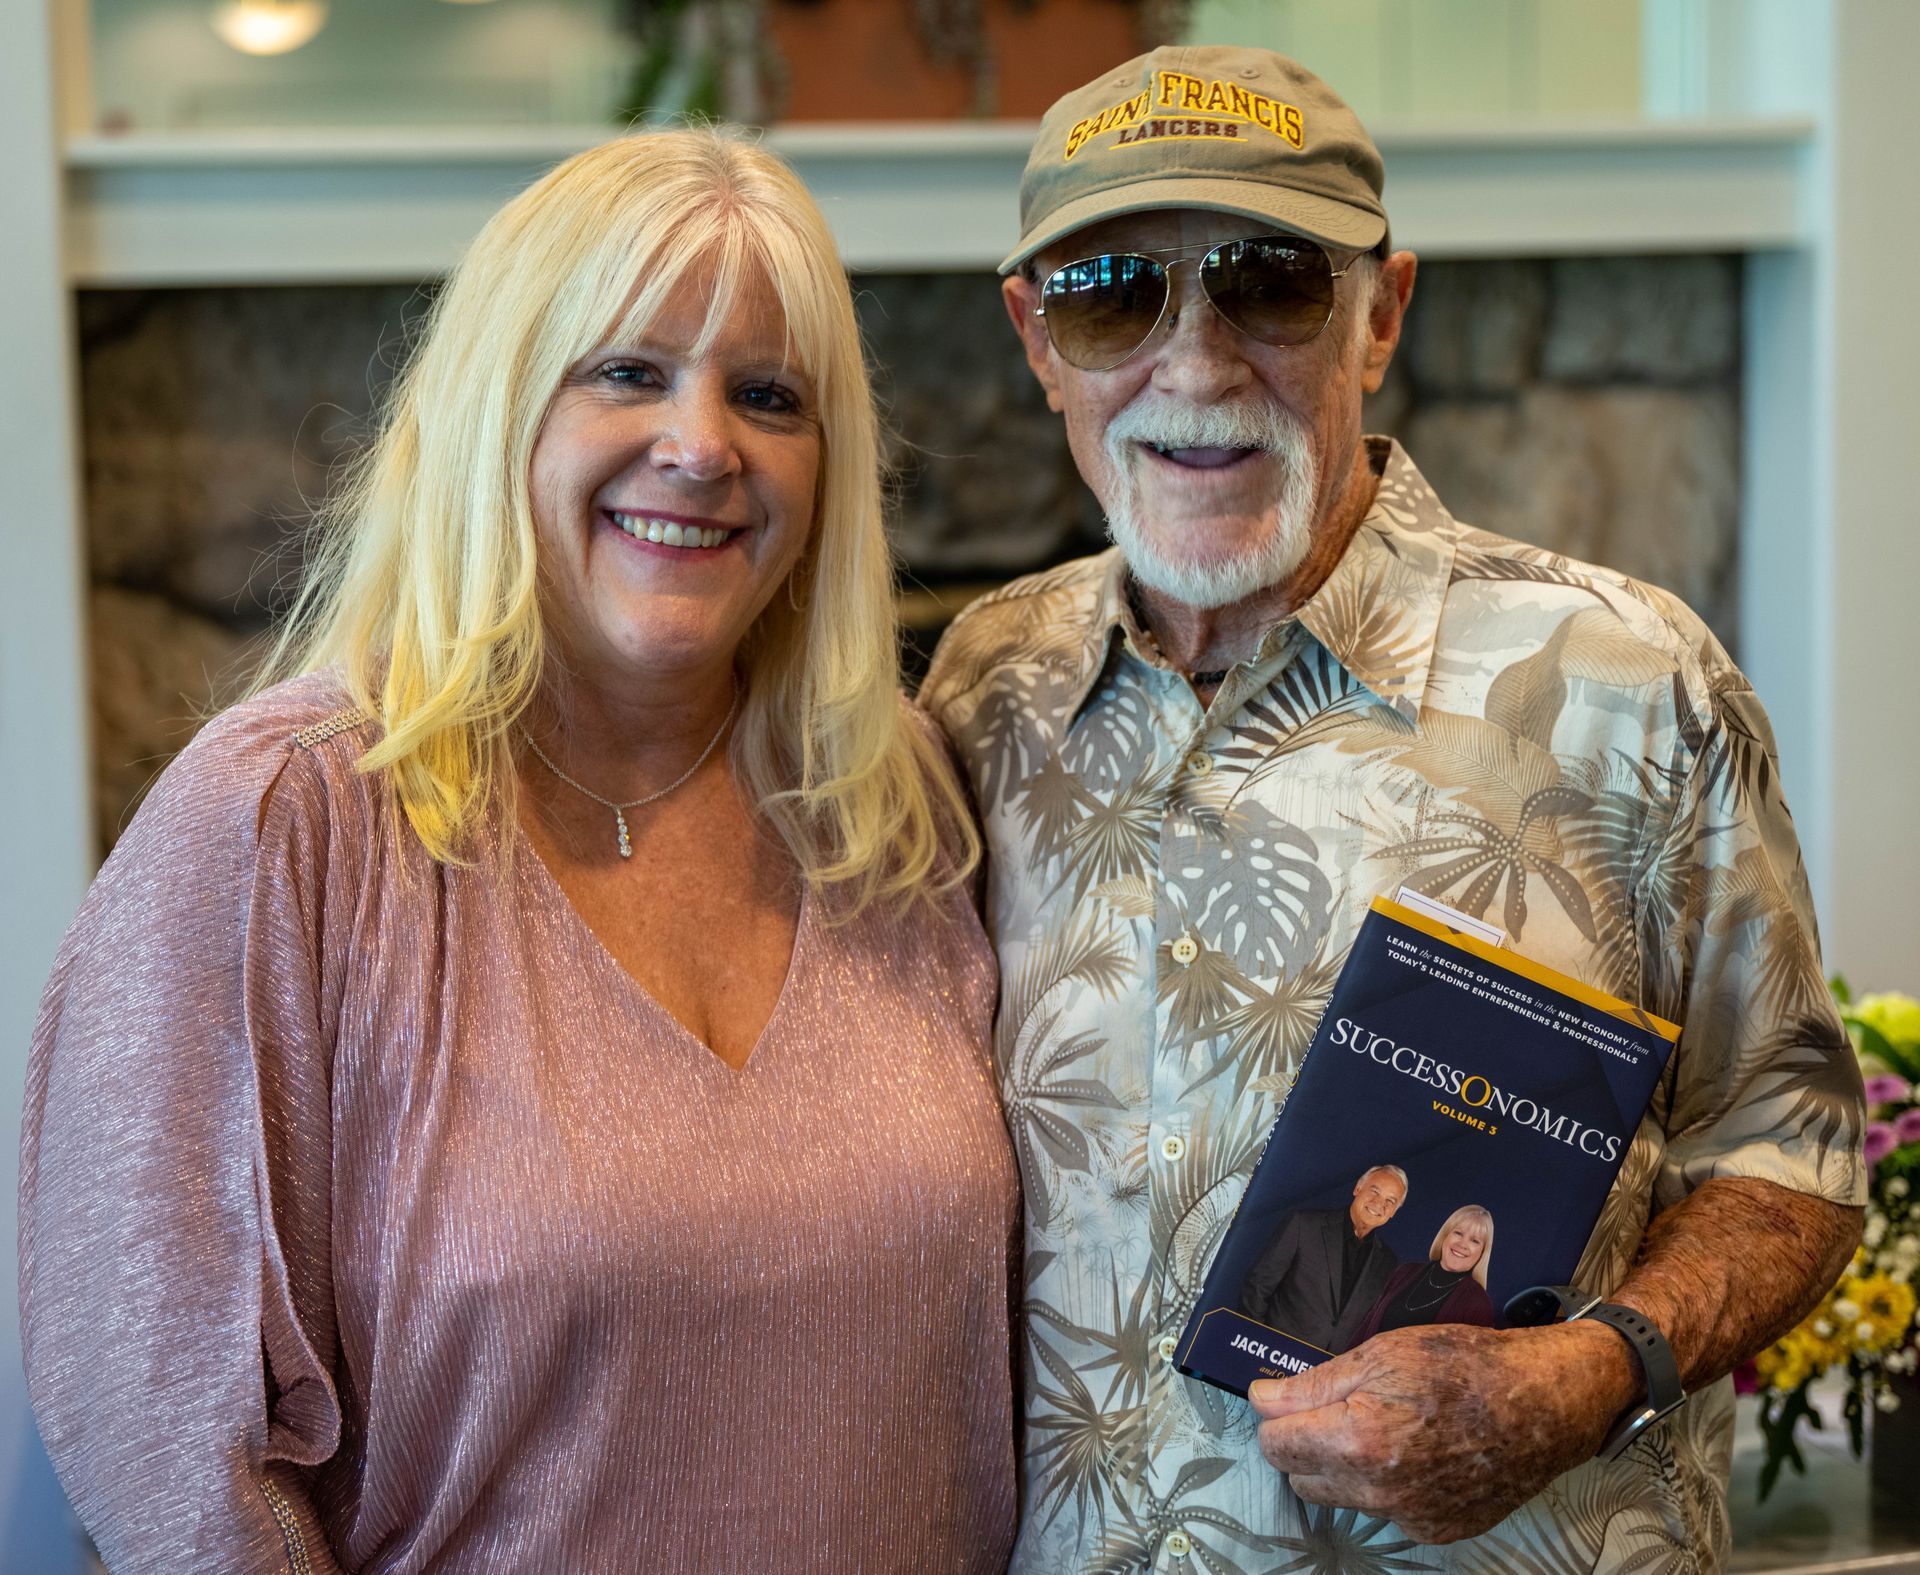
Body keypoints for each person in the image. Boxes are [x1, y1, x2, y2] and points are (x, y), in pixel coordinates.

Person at [21, 129, 1020, 1574]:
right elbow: (170, 1452)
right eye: (626, 370)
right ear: (500, 405)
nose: (701, 444)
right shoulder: (285, 819)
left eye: (768, 393)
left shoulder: (899, 806)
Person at [919, 43, 1866, 1568]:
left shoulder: (1629, 682)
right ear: (1038, 339)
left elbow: (1791, 1146)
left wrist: (1588, 1370)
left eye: (1270, 283)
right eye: (1114, 295)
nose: (1197, 360)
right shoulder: (979, 692)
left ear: (1384, 315)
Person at [1238, 1164, 1407, 1352]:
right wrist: (1256, 1345)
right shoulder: (1304, 1225)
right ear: (1358, 1188)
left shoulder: (1387, 1262)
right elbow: (1258, 1287)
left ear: (1393, 1212)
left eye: (1390, 1201)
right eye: (1374, 1191)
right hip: (1270, 1355)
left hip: (1327, 1374)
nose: (1379, 1204)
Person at [1349, 1205, 1497, 1349]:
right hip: (1363, 1371)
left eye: (1475, 1241)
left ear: (1482, 1252)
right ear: (1445, 1235)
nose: (1463, 1244)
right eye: (1458, 1233)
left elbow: (1476, 1369)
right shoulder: (1405, 1272)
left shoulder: (1478, 1304)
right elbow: (1366, 1325)